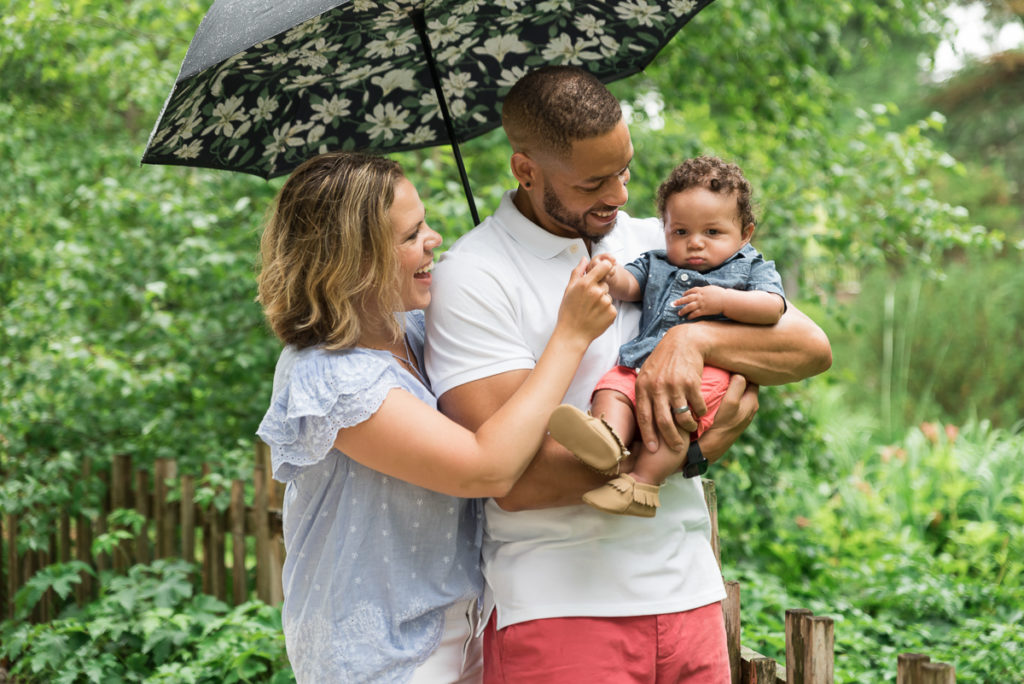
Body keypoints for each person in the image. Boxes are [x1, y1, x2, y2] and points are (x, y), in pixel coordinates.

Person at [425, 66, 832, 682]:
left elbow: (808, 348)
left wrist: (694, 338)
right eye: (594, 182)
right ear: (525, 171)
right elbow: (513, 479)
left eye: (625, 169)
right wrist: (689, 448)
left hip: (689, 591)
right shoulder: (471, 276)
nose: (618, 194)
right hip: (559, 611)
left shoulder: (664, 239)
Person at [254, 151, 618, 683]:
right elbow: (485, 468)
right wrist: (571, 336)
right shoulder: (329, 378)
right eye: (409, 236)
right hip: (376, 657)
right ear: (352, 262)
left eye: (424, 223)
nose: (434, 241)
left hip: (458, 629)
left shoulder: (418, 335)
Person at [548, 156, 787, 518]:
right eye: (680, 232)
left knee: (674, 415)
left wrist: (725, 300)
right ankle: (606, 439)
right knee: (612, 387)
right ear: (665, 229)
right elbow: (630, 287)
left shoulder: (750, 267)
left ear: (745, 233)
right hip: (641, 361)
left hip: (705, 373)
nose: (695, 244)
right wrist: (609, 274)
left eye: (712, 232)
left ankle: (643, 483)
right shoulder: (656, 262)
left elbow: (772, 307)